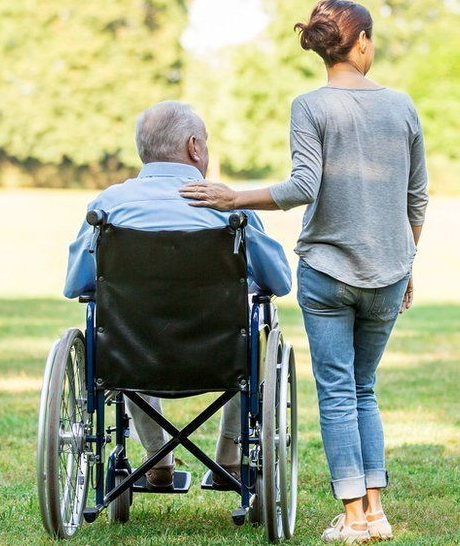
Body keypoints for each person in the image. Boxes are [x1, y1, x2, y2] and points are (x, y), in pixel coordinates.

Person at [179, 0, 429, 542]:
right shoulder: (403, 107)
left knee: (338, 391)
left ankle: (355, 519)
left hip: (327, 271)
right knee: (365, 388)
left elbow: (302, 187)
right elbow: (416, 200)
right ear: (360, 41)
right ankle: (377, 512)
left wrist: (233, 196)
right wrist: (406, 265)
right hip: (388, 271)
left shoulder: (309, 106)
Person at [64, 100, 291, 490]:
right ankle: (231, 462)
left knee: (123, 327)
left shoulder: (108, 207)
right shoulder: (228, 209)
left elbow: (77, 286)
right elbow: (281, 283)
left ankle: (158, 464)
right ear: (194, 147)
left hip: (132, 356)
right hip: (220, 356)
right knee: (256, 332)